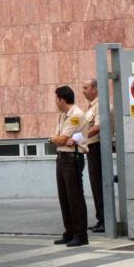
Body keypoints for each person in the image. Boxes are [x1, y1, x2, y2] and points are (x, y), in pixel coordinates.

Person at [49, 86, 89, 247]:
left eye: (56, 99)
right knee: (64, 198)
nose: (55, 102)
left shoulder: (76, 116)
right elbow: (59, 138)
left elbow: (59, 139)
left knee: (75, 198)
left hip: (72, 159)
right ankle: (70, 232)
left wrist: (54, 139)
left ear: (62, 99)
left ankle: (81, 235)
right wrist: (57, 138)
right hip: (62, 158)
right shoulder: (63, 116)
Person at [83, 79, 104, 233]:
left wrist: (79, 137)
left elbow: (98, 127)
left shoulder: (101, 106)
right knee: (95, 185)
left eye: (86, 87)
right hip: (91, 149)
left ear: (95, 89)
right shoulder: (90, 107)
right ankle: (100, 219)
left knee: (99, 185)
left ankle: (105, 220)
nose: (83, 90)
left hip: (98, 148)